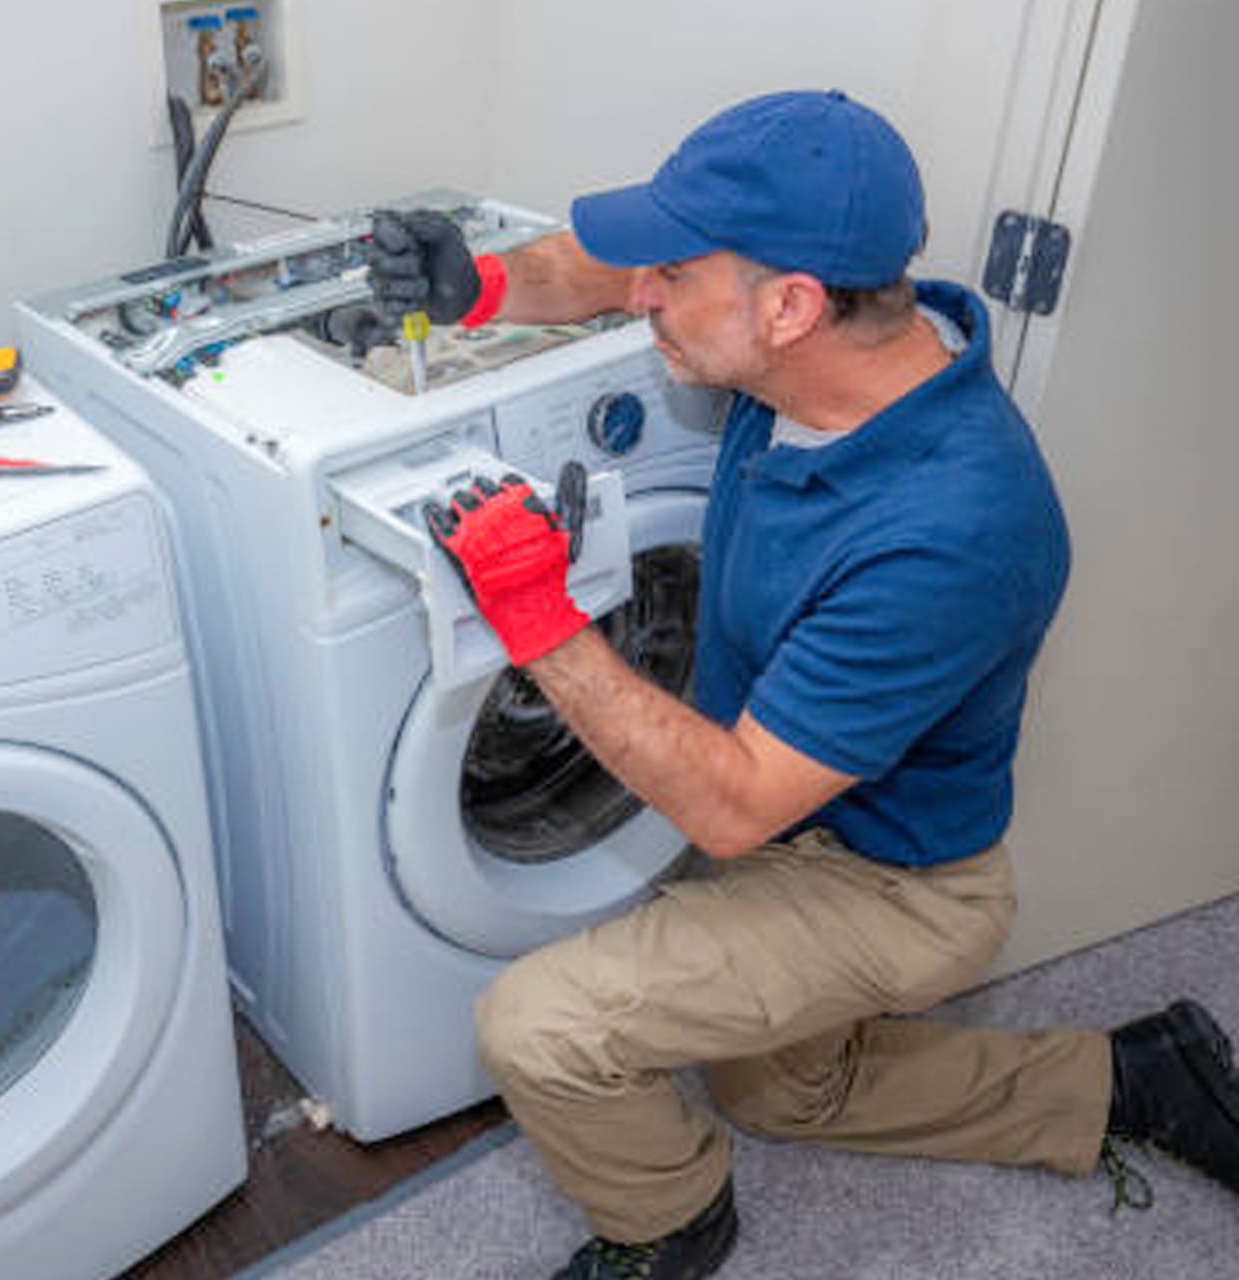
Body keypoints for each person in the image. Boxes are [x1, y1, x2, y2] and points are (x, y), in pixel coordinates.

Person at [366, 89, 1239, 1280]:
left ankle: (671, 1222)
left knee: (541, 1025)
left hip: (892, 881)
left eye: (673, 274)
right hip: (793, 806)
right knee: (786, 1096)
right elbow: (591, 264)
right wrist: (477, 287)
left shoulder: (957, 526)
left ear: (791, 307)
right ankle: (1127, 1077)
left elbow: (730, 806)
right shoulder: (825, 349)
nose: (640, 294)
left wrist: (539, 621)